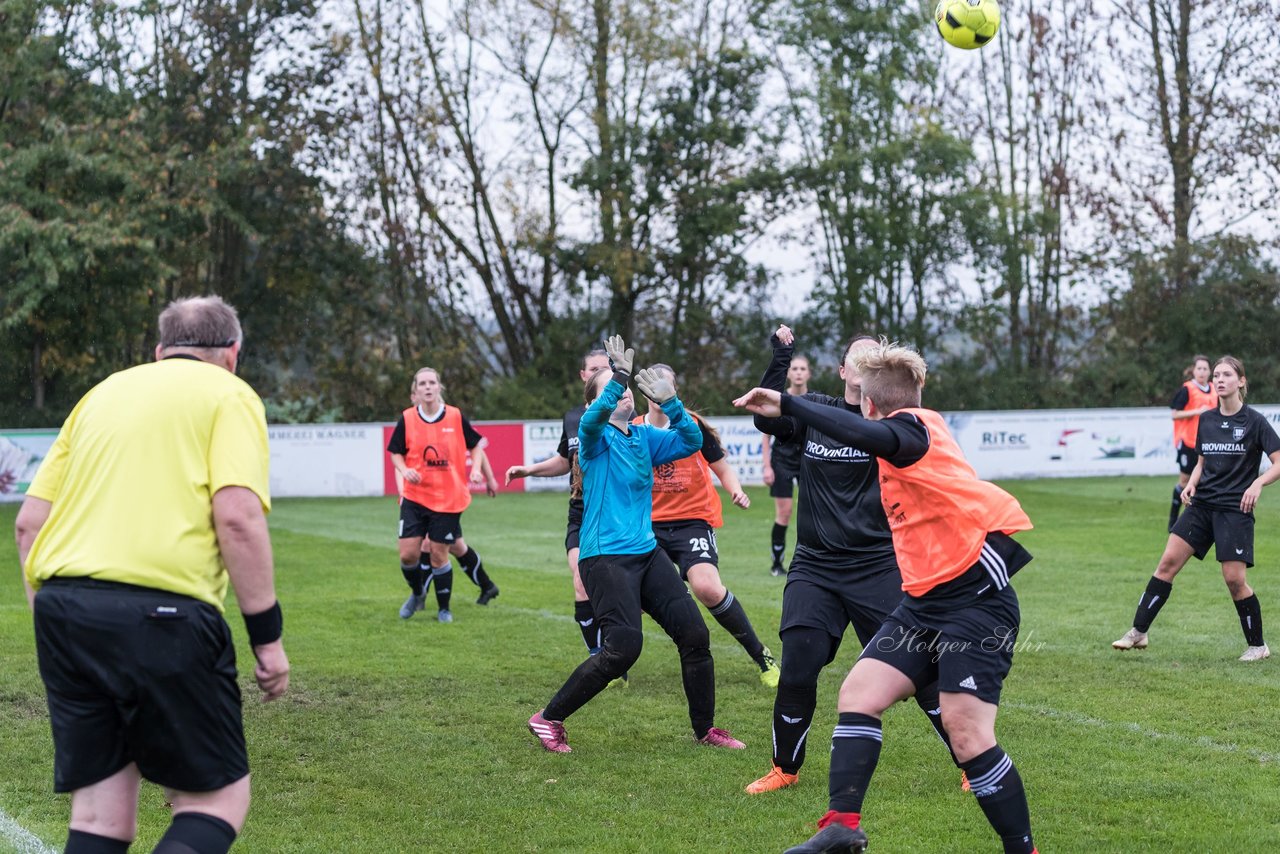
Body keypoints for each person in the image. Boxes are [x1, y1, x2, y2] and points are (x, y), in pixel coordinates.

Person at [735, 340, 1037, 854]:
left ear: (871, 404)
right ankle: (841, 828)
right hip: (922, 601)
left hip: (975, 600)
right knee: (858, 696)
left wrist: (788, 401)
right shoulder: (895, 426)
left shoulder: (917, 430)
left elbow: (862, 431)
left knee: (968, 735)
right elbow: (842, 428)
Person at [14, 295, 289, 854]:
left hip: (64, 611)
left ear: (160, 351)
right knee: (216, 801)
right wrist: (268, 639)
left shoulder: (100, 394)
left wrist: (55, 616)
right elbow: (237, 517)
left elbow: (28, 525)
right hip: (163, 613)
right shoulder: (230, 394)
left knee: (99, 816)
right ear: (232, 354)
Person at [743, 327, 956, 798]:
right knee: (799, 665)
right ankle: (785, 768)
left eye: (874, 361)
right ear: (842, 370)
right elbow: (768, 415)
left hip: (877, 566)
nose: (864, 366)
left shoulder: (894, 425)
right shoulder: (816, 410)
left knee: (919, 669)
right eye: (856, 359)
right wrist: (781, 354)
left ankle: (971, 761)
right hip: (815, 567)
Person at [527, 335, 744, 753]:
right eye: (614, 387)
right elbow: (592, 421)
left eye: (625, 386)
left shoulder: (643, 438)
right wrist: (618, 376)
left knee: (695, 634)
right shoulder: (593, 438)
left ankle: (706, 730)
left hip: (645, 555)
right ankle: (547, 718)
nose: (624, 391)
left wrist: (672, 403)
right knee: (623, 649)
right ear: (598, 399)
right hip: (604, 557)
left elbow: (692, 442)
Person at [1114, 355, 1280, 662]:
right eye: (1216, 375)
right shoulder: (1206, 419)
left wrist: (1257, 484)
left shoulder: (1255, 421)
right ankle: (1138, 632)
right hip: (1202, 505)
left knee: (1234, 580)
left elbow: (1278, 462)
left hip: (1234, 509)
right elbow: (1202, 461)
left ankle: (1258, 646)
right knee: (1167, 564)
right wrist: (1191, 483)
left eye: (1226, 375)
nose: (1219, 379)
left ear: (1241, 381)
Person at [636, 364, 780, 687]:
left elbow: (723, 469)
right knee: (632, 593)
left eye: (666, 385)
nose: (659, 392)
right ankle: (614, 665)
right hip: (648, 526)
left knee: (707, 588)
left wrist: (736, 490)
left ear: (674, 390)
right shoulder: (633, 430)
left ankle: (761, 655)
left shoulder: (692, 426)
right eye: (653, 386)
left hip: (692, 521)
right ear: (645, 392)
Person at [505, 348, 615, 662]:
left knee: (617, 587)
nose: (598, 373)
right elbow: (566, 460)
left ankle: (617, 647)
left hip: (615, 512)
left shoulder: (622, 414)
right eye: (592, 368)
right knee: (581, 580)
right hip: (580, 510)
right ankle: (599, 658)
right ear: (583, 376)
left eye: (604, 368)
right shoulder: (573, 418)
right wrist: (530, 470)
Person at [388, 367, 499, 623]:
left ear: (439, 387)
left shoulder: (455, 416)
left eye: (432, 383)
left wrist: (479, 472)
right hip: (415, 497)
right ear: (416, 390)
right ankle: (417, 593)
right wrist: (405, 470)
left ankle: (444, 609)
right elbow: (395, 452)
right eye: (422, 384)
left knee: (440, 553)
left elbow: (476, 446)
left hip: (448, 499)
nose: (427, 387)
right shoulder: (407, 418)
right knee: (408, 554)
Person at [763, 354, 810, 575]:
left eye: (803, 369)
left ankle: (806, 561)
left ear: (808, 373)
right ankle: (776, 564)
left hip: (806, 461)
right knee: (785, 513)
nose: (799, 372)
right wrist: (767, 466)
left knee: (809, 513)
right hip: (781, 461)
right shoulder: (780, 398)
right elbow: (765, 435)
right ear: (789, 373)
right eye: (795, 368)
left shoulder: (814, 400)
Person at [1168, 355, 1217, 530]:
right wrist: (1197, 411)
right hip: (1188, 442)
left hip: (1207, 444)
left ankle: (1195, 520)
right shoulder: (1187, 389)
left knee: (1203, 482)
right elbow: (1175, 414)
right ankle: (1174, 517)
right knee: (1184, 482)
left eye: (1205, 369)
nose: (1202, 372)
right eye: (1199, 369)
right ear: (1193, 370)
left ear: (1210, 372)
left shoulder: (1214, 389)